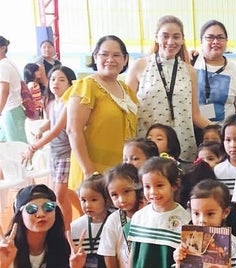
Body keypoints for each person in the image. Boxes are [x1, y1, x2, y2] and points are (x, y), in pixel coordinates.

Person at [126, 15, 212, 161]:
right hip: (147, 146)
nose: (171, 42)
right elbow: (127, 109)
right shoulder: (139, 66)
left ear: (183, 39)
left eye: (176, 37)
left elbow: (195, 114)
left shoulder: (190, 71)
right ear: (156, 38)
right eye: (165, 36)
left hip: (181, 145)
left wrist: (222, 131)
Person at [64, 35, 138, 190]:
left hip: (119, 171)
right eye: (104, 54)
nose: (110, 59)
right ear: (95, 57)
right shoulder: (86, 86)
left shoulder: (126, 89)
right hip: (93, 172)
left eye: (116, 55)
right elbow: (73, 130)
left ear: (125, 59)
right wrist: (89, 171)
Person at [21, 66, 79, 228]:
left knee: (60, 195)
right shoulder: (53, 103)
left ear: (70, 84)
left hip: (67, 154)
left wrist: (33, 147)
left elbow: (57, 130)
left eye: (62, 80)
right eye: (53, 79)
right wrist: (40, 129)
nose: (56, 83)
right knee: (65, 192)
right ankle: (85, 215)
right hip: (55, 153)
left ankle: (66, 229)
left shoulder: (69, 104)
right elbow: (51, 123)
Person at [0, 184, 86, 268]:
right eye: (31, 208)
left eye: (48, 207)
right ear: (20, 215)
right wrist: (3, 265)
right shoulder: (7, 249)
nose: (41, 214)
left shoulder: (62, 247)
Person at [128, 157, 191, 268]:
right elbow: (133, 255)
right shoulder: (139, 217)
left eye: (159, 185)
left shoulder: (186, 220)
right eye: (147, 186)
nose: (153, 192)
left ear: (175, 185)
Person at [193, 20, 236, 122]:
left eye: (220, 37)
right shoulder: (191, 64)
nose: (215, 41)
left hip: (222, 133)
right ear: (201, 41)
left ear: (226, 41)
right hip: (190, 131)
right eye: (210, 37)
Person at [173, 179, 236, 266]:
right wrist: (179, 262)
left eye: (210, 214)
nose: (202, 220)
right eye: (196, 213)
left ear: (225, 212)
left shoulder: (233, 246)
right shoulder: (188, 241)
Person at [98, 163, 146, 268]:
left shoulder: (150, 216)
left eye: (127, 191)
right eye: (114, 195)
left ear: (139, 189)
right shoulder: (113, 220)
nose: (121, 200)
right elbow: (109, 254)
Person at [70, 174, 110, 268]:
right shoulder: (75, 227)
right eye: (83, 200)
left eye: (94, 200)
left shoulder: (116, 223)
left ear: (107, 199)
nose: (87, 205)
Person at [0, 35, 27, 142]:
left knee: (16, 147)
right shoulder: (10, 62)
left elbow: (4, 91)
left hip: (10, 110)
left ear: (3, 48)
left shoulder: (2, 65)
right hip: (15, 108)